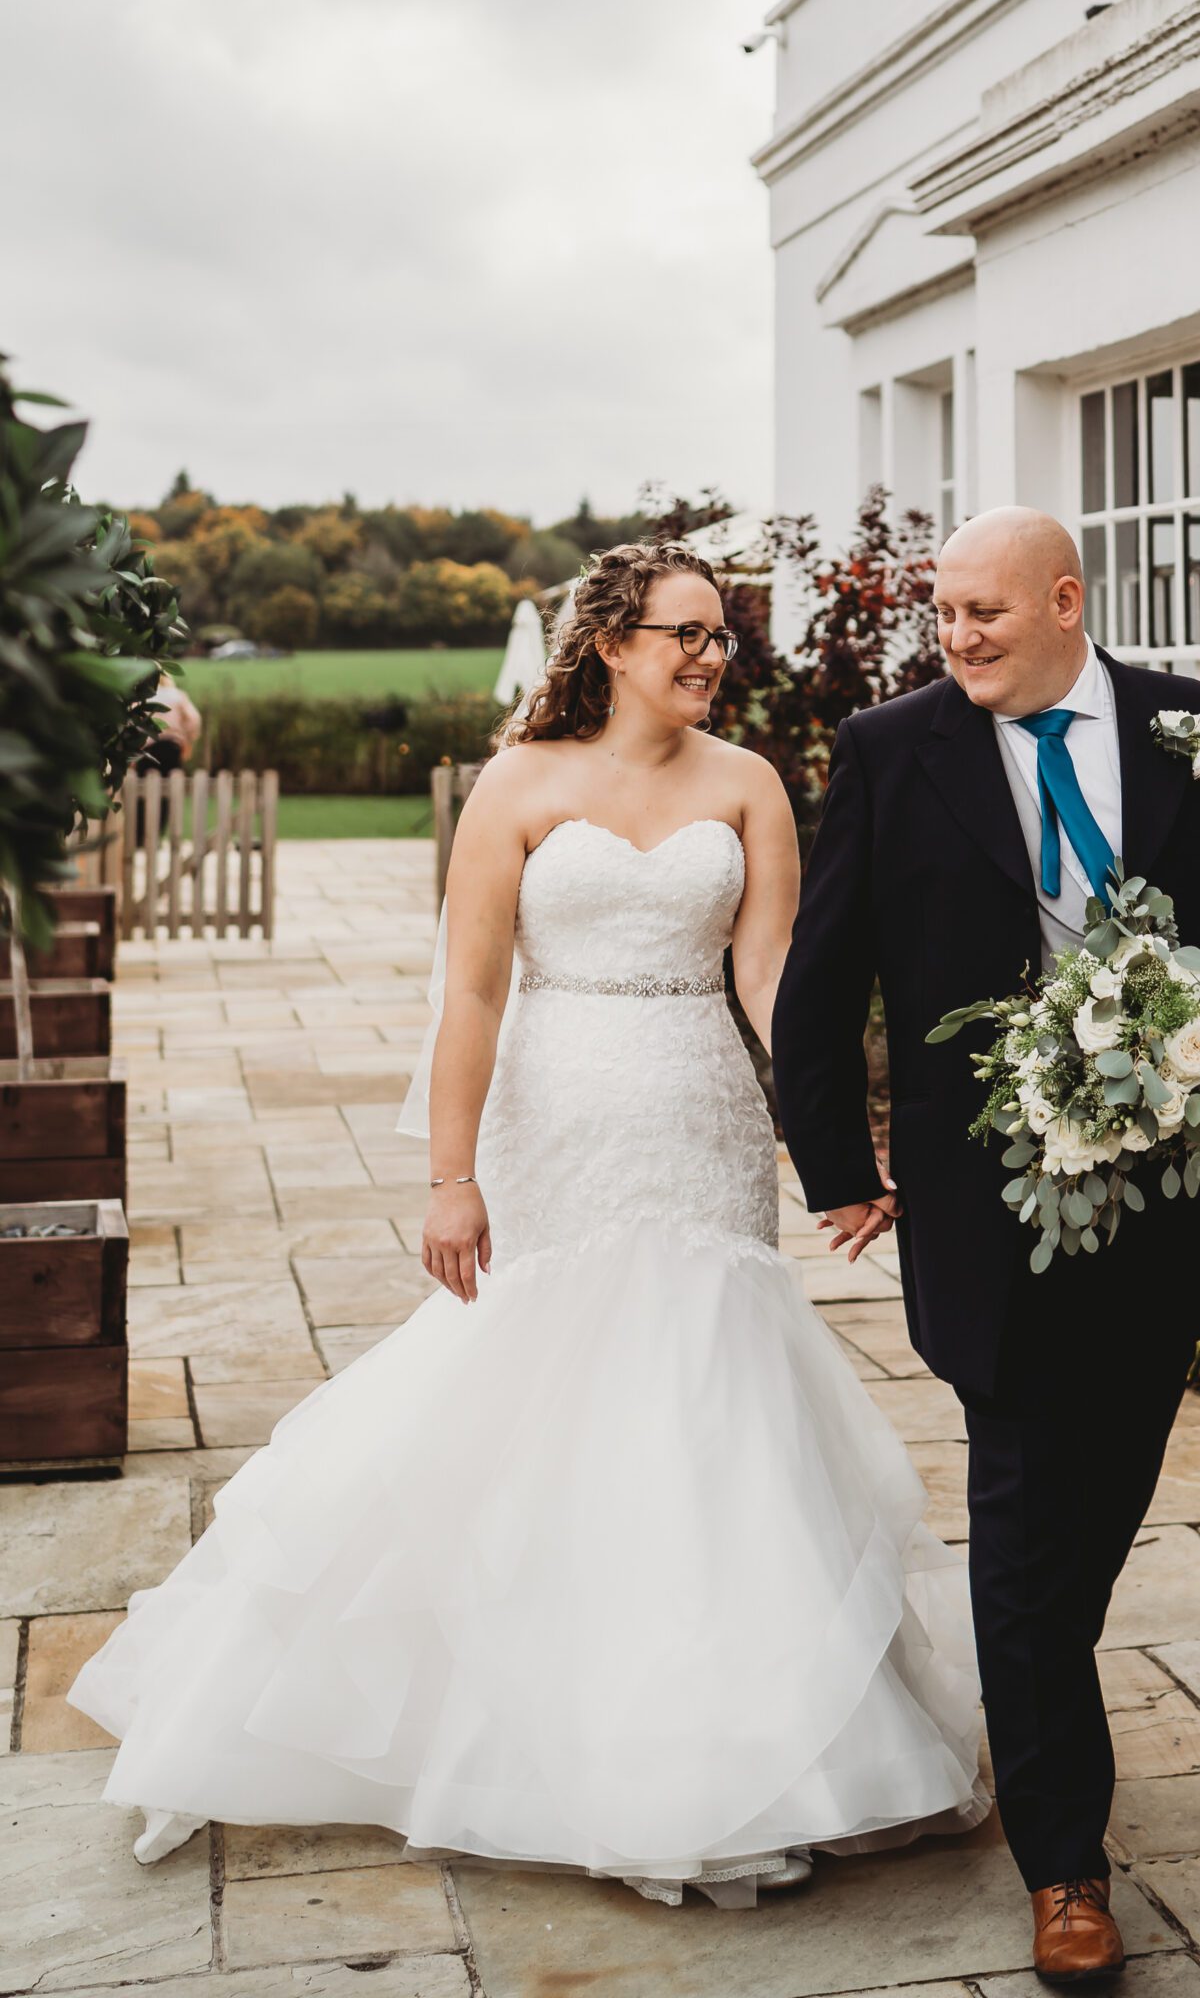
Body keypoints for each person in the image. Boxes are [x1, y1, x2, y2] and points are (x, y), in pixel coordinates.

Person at [69, 541, 987, 1906]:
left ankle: (727, 1737)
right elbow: (476, 996)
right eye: (680, 633)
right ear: (609, 644)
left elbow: (775, 978)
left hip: (699, 1123)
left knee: (707, 1400)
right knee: (544, 1387)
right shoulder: (519, 783)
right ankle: (518, 1718)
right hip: (557, 1122)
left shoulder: (746, 786)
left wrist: (834, 1148)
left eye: (721, 637)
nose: (706, 656)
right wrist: (453, 1174)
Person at [771, 506, 1200, 1986]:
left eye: (983, 616)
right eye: (942, 616)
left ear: (1068, 601)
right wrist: (837, 1161)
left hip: (1171, 1203)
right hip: (987, 1210)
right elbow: (823, 977)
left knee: (1101, 1502)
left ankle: (1021, 1696)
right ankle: (1066, 1867)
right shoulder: (893, 751)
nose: (955, 641)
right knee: (1021, 1516)